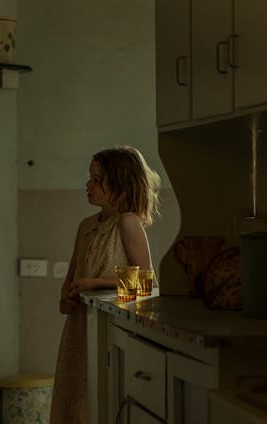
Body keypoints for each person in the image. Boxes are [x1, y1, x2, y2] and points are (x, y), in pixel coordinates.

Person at [50, 146, 161, 423]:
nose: (88, 184)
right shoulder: (86, 225)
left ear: (120, 183)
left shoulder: (128, 223)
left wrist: (94, 284)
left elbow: (146, 283)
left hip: (108, 329)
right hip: (78, 328)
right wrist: (67, 297)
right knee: (73, 402)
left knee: (98, 402)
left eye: (97, 179)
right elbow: (72, 276)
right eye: (90, 177)